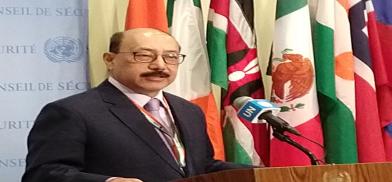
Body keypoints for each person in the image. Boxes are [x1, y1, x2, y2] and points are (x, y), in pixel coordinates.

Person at [22, 28, 253, 182]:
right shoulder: (72, 112)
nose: (159, 65)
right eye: (143, 55)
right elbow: (43, 174)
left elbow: (200, 166)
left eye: (171, 57)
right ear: (110, 60)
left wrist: (264, 175)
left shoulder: (189, 111)